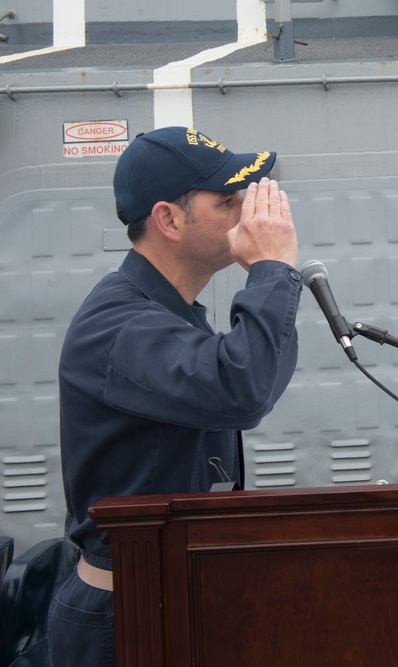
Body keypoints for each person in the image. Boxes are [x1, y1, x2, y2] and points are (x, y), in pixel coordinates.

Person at [48, 126, 302, 667]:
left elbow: (243, 381)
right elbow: (242, 390)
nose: (247, 214)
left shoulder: (168, 315)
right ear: (168, 219)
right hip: (127, 618)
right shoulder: (119, 326)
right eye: (227, 201)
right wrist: (272, 270)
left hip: (174, 597)